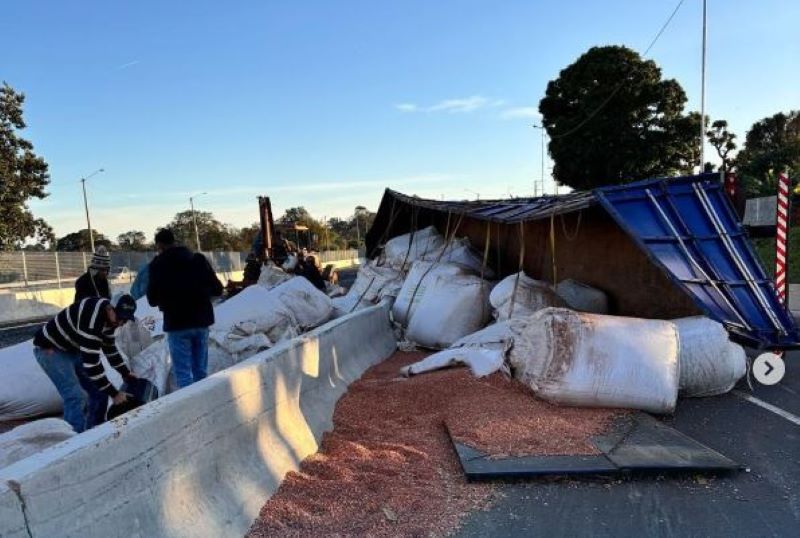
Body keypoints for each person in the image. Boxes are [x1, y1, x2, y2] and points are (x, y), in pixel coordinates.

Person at [32, 294, 137, 432]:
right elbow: (92, 366)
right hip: (51, 349)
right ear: (110, 308)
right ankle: (73, 442)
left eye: (125, 320)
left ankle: (96, 430)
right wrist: (115, 394)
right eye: (120, 318)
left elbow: (110, 349)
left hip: (72, 346)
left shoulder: (111, 319)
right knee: (75, 396)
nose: (121, 323)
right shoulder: (93, 320)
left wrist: (125, 373)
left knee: (99, 391)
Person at [147, 229, 223, 388]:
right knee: (201, 372)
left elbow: (152, 300)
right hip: (201, 322)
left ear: (159, 246)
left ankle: (191, 410)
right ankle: (204, 404)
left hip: (177, 325)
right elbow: (218, 289)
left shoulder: (157, 265)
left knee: (183, 375)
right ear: (175, 241)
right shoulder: (198, 259)